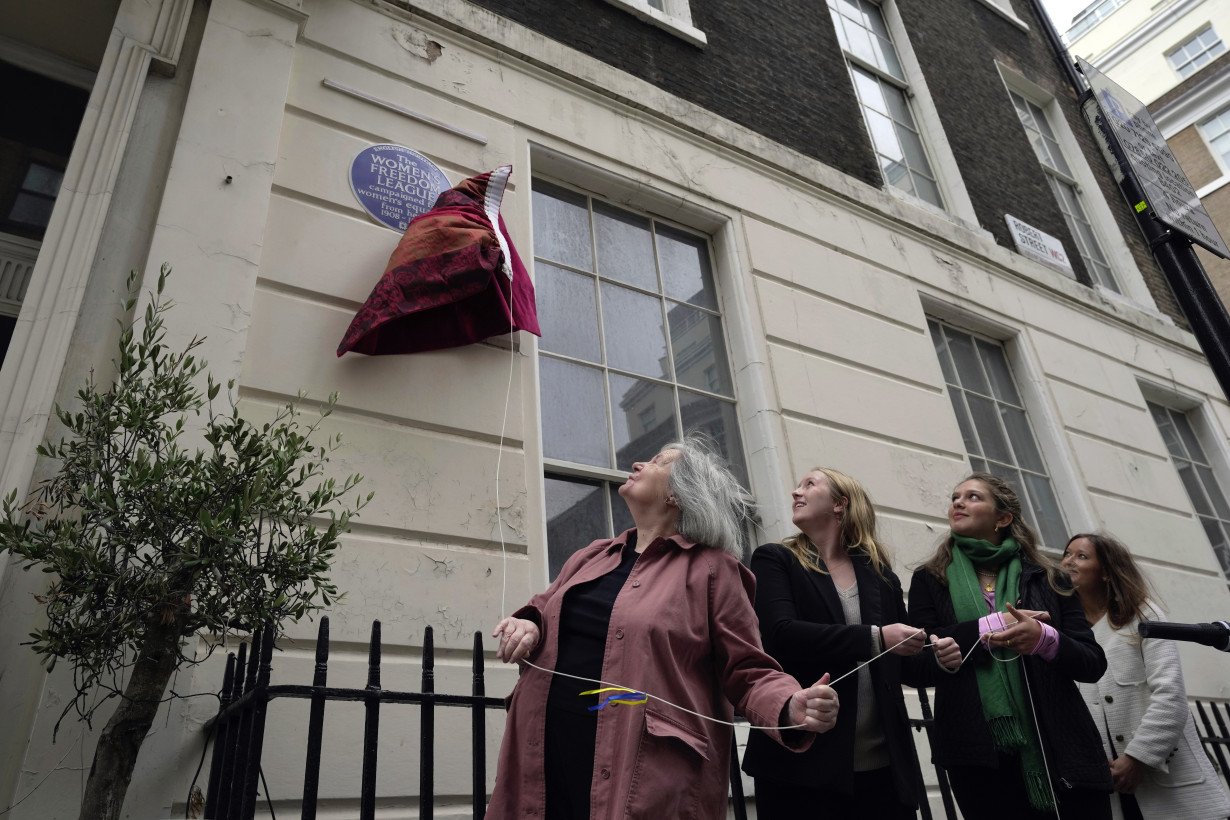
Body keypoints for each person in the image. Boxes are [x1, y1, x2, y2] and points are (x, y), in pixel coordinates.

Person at [484, 436, 840, 820]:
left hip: (642, 774)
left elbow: (747, 671)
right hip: (545, 755)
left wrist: (789, 705)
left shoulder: (712, 569)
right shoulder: (591, 555)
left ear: (678, 493)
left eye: (659, 462)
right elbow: (544, 606)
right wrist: (528, 623)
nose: (639, 464)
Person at [742, 467, 962, 818]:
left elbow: (904, 664)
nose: (796, 492)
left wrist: (939, 659)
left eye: (809, 484)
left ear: (840, 504)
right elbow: (779, 634)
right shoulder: (775, 559)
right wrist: (874, 638)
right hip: (801, 768)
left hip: (884, 770)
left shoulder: (881, 576)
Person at [908, 472, 1113, 820]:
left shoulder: (1050, 577)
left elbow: (1092, 663)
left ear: (1002, 518)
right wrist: (986, 629)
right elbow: (915, 666)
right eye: (955, 497)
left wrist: (1043, 639)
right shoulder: (930, 579)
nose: (958, 502)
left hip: (1060, 745)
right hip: (976, 755)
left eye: (973, 497)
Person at [1062, 532, 1230, 820]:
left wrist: (1137, 758)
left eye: (1081, 556)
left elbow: (1170, 695)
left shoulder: (1142, 615)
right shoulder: (1067, 633)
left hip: (1172, 788)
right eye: (1066, 554)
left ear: (1105, 572)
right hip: (1108, 791)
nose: (1068, 562)